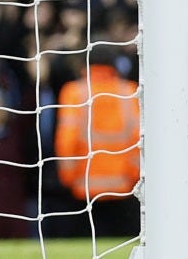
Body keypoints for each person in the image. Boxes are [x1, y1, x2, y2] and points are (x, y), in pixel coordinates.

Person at [52, 46, 141, 237]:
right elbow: (138, 140)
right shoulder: (129, 91)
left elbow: (66, 140)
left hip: (84, 187)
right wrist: (134, 175)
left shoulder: (74, 92)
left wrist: (68, 176)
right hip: (123, 186)